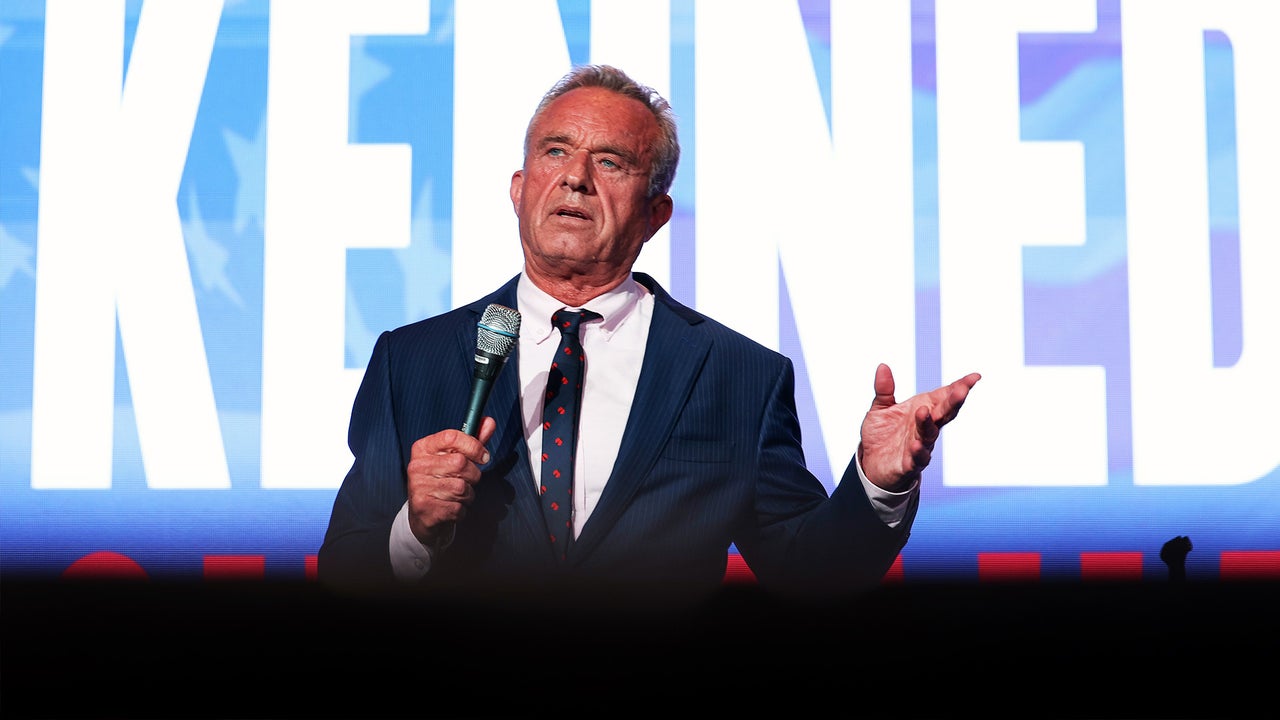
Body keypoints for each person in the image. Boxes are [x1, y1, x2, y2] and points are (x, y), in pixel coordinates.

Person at [317, 64, 980, 607]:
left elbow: (811, 569)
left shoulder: (736, 376)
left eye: (610, 162)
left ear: (656, 213)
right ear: (519, 189)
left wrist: (877, 483)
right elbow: (345, 570)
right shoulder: (413, 360)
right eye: (555, 151)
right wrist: (415, 532)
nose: (575, 176)